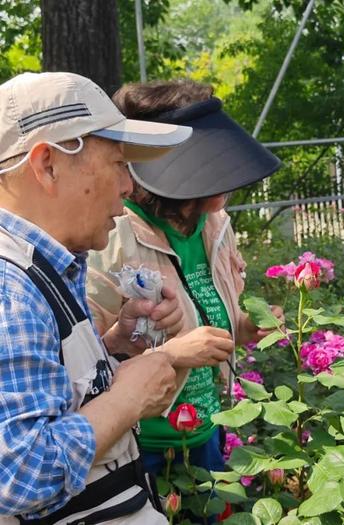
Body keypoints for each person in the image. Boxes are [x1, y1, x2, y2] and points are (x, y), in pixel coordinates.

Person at [0, 72, 194, 524]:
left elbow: (43, 395)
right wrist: (128, 399)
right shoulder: (9, 290)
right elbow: (17, 474)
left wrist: (116, 346)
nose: (129, 188)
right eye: (118, 164)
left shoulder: (41, 267)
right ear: (47, 164)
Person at [86, 79, 283, 478]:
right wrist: (170, 355)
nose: (220, 190)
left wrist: (244, 327)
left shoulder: (213, 226)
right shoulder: (111, 235)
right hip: (144, 447)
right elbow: (87, 365)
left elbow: (208, 315)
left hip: (206, 433)